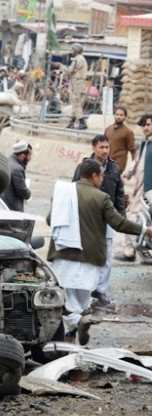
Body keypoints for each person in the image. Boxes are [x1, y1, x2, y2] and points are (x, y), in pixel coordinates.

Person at [47, 158, 152, 344]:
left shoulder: (63, 193)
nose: (102, 180)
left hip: (64, 257)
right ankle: (75, 332)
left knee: (67, 303)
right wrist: (145, 230)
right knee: (82, 303)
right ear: (94, 175)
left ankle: (73, 332)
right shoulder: (101, 197)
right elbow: (119, 223)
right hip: (90, 259)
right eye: (101, 176)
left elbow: (50, 220)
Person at [72, 135, 125, 307]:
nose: (104, 150)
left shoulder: (114, 168)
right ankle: (84, 289)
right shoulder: (83, 167)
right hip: (87, 217)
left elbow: (119, 195)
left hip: (108, 217)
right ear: (94, 147)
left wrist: (121, 217)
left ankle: (100, 291)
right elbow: (74, 191)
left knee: (106, 256)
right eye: (101, 147)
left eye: (107, 147)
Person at [118, 113, 152, 261]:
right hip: (141, 190)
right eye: (144, 125)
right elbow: (136, 162)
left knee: (131, 217)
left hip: (148, 192)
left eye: (148, 124)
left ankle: (129, 250)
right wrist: (126, 174)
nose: (145, 128)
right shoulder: (146, 144)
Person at [53, 43, 87, 130]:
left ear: (76, 51)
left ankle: (82, 122)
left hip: (77, 83)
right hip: (77, 83)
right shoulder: (81, 59)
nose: (71, 52)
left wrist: (60, 66)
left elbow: (69, 71)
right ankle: (72, 122)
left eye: (72, 50)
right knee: (74, 102)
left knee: (76, 103)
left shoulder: (77, 59)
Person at [104, 106, 137, 174]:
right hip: (106, 163)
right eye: (117, 114)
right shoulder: (108, 129)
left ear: (125, 117)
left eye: (121, 115)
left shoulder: (128, 132)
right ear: (114, 115)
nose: (119, 117)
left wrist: (134, 165)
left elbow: (133, 149)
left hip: (118, 165)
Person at [0, 140, 31, 212]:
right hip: (12, 208)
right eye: (29, 156)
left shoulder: (5, 161)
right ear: (22, 156)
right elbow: (22, 191)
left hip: (2, 205)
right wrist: (28, 193)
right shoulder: (17, 169)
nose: (30, 159)